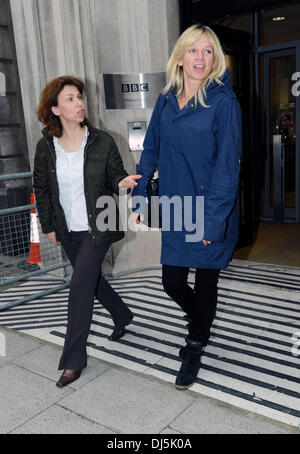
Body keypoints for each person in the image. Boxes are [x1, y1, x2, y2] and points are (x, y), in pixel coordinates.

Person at [132, 25, 242, 389]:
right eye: (194, 50)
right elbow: (150, 149)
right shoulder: (165, 99)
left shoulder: (223, 102)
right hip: (177, 205)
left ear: (215, 60)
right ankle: (202, 323)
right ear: (180, 57)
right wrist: (139, 193)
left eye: (208, 51)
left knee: (206, 280)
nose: (201, 58)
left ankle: (193, 347)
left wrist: (213, 224)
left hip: (211, 207)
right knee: (172, 281)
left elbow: (228, 167)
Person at [34, 76, 141, 387]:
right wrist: (49, 226)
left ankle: (73, 360)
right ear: (55, 109)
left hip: (97, 227)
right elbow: (41, 189)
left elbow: (115, 175)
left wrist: (121, 183)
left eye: (79, 97)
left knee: (79, 288)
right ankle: (122, 316)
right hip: (68, 230)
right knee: (92, 282)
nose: (79, 103)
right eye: (70, 99)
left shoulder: (102, 141)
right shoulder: (46, 147)